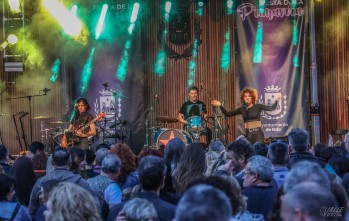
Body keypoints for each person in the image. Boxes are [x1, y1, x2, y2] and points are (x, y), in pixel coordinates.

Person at [211, 87, 281, 144]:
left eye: (249, 96)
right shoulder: (242, 109)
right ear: (243, 99)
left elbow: (271, 108)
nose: (247, 97)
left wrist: (276, 100)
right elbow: (227, 114)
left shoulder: (258, 106)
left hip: (258, 134)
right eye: (245, 96)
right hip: (248, 135)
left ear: (252, 98)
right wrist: (220, 105)